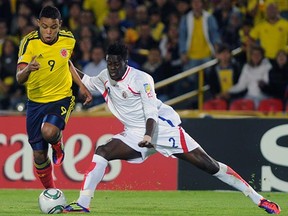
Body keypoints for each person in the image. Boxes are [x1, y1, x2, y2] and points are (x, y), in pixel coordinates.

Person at [64, 43, 281, 214]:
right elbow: (85, 79)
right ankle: (83, 203)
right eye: (109, 63)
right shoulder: (105, 76)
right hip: (134, 133)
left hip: (160, 129)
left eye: (116, 64)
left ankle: (257, 198)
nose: (112, 68)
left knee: (209, 165)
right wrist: (64, 60)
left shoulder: (142, 79)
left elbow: (151, 112)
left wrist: (149, 135)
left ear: (126, 62)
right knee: (102, 151)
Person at [16, 5, 92, 189]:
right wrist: (28, 69)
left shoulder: (68, 39)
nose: (48, 32)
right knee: (39, 155)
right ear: (38, 24)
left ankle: (57, 145)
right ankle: (52, 192)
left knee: (49, 131)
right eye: (44, 27)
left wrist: (81, 86)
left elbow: (66, 62)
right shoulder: (29, 42)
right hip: (35, 102)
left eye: (53, 27)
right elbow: (19, 77)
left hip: (61, 97)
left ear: (60, 25)